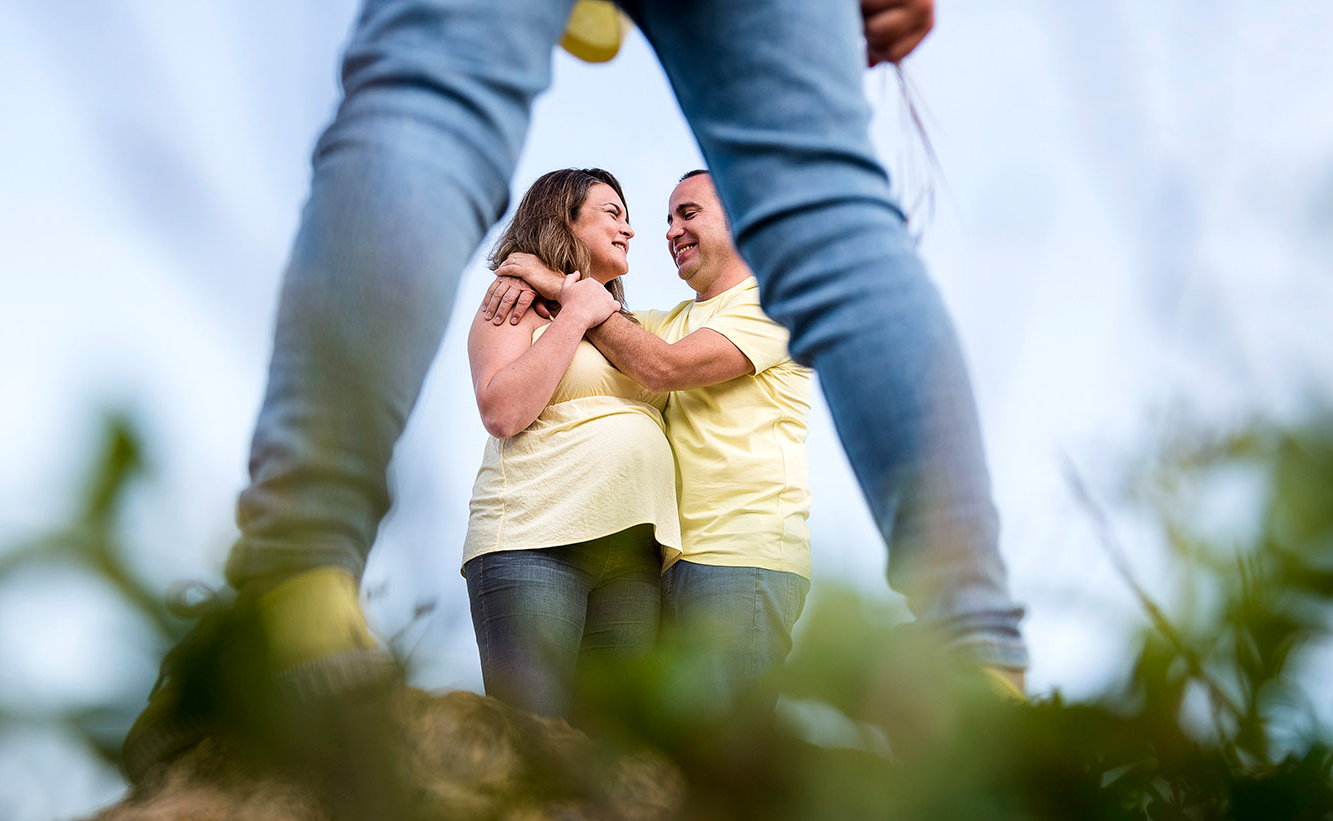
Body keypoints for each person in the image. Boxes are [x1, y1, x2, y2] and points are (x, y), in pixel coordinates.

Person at [122, 0, 1026, 781]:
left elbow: (656, 361)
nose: (652, 231)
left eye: (671, 214)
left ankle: (292, 578)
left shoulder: (688, 319)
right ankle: (978, 660)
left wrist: (562, 288)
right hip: (565, 544)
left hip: (675, 554)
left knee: (431, 102)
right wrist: (558, 290)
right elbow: (556, 377)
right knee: (825, 212)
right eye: (634, 215)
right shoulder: (602, 313)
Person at [481, 169, 813, 707]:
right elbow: (605, 324)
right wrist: (537, 277)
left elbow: (662, 366)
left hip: (738, 554)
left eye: (689, 213)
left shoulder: (776, 306)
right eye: (667, 219)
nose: (667, 231)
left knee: (727, 741)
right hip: (670, 559)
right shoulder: (667, 322)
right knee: (663, 744)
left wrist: (557, 285)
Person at [461, 169, 680, 717]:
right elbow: (502, 412)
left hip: (632, 556)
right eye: (612, 214)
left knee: (613, 745)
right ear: (564, 219)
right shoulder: (514, 307)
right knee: (532, 734)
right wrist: (575, 309)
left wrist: (582, 300)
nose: (629, 230)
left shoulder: (626, 326)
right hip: (535, 542)